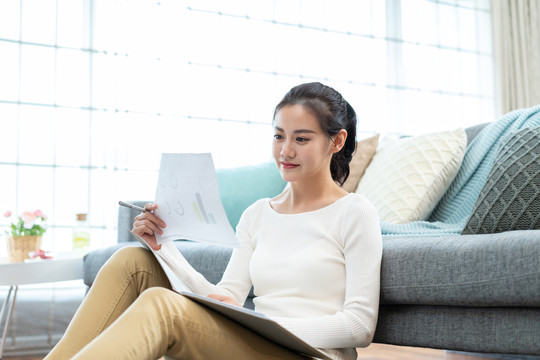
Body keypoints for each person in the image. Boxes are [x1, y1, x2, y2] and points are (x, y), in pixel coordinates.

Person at [44, 82, 382, 360]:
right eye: (279, 136)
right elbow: (226, 299)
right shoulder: (258, 214)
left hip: (312, 355)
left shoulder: (355, 212)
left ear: (336, 141)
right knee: (131, 260)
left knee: (161, 305)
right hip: (257, 341)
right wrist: (165, 249)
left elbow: (359, 326)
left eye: (301, 139)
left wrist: (268, 323)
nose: (285, 151)